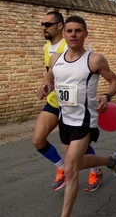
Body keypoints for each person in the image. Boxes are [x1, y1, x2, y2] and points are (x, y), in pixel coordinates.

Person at [37, 15, 116, 217]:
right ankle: (110, 161)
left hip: (85, 120)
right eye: (69, 31)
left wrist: (106, 95)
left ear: (85, 34)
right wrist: (45, 87)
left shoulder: (94, 59)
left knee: (70, 170)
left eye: (78, 31)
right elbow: (49, 80)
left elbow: (115, 81)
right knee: (76, 163)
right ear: (64, 33)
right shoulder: (56, 58)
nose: (73, 34)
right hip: (64, 119)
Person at [33, 11, 70, 191]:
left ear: (60, 26)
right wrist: (45, 87)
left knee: (75, 148)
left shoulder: (68, 45)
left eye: (47, 24)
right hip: (55, 101)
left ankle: (95, 170)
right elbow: (51, 76)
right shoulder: (46, 49)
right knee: (38, 140)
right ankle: (62, 169)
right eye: (42, 24)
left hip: (71, 103)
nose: (43, 28)